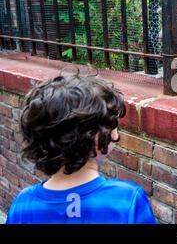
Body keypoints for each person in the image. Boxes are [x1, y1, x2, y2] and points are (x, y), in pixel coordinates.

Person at [6, 73, 158, 224]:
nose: (117, 136)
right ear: (96, 137)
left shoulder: (22, 205)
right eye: (113, 124)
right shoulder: (127, 199)